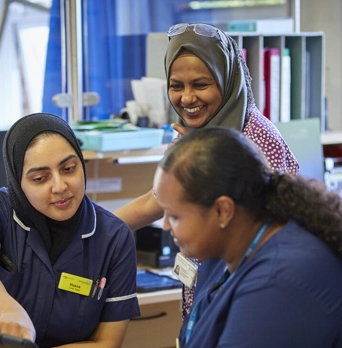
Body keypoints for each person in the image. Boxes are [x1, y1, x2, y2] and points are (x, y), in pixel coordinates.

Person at [8, 127, 342, 348]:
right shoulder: (223, 254)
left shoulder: (284, 283)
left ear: (223, 211)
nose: (164, 227)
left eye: (175, 216)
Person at [114, 22, 298, 318]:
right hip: (206, 294)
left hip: (250, 297)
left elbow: (271, 234)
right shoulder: (197, 133)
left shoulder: (256, 139)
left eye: (200, 85)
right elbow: (158, 200)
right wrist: (92, 232)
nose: (186, 98)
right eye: (176, 86)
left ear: (226, 82)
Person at [0, 113, 140, 348]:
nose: (60, 186)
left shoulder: (114, 236)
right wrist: (11, 311)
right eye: (40, 178)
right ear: (18, 182)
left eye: (68, 169)